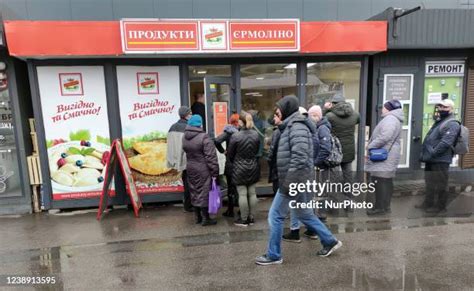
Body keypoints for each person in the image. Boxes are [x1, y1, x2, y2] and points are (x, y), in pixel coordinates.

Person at [255, 95, 342, 266]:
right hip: (299, 180)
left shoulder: (297, 127)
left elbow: (300, 158)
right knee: (305, 214)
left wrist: (288, 185)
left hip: (294, 181)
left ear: (286, 109)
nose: (276, 114)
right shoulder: (290, 127)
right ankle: (330, 241)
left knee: (275, 215)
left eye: (278, 111)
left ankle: (274, 255)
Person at [417, 99, 460, 214]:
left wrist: (433, 152)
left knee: (441, 184)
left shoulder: (453, 123)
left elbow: (446, 142)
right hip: (432, 159)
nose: (441, 109)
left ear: (451, 109)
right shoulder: (440, 121)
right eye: (440, 107)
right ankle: (428, 203)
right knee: (430, 182)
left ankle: (440, 207)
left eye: (445, 107)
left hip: (441, 160)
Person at [365, 100, 404, 216]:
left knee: (380, 182)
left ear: (388, 108)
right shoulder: (394, 118)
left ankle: (380, 208)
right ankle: (385, 207)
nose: (382, 109)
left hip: (385, 155)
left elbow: (385, 136)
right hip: (389, 154)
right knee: (386, 181)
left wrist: (370, 146)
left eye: (384, 107)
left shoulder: (390, 119)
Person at [182, 115, 219, 226]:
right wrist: (215, 172)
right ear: (200, 124)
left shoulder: (184, 137)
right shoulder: (204, 137)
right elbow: (211, 157)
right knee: (203, 192)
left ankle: (197, 217)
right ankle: (206, 218)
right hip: (203, 169)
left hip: (191, 167)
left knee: (194, 191)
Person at [228, 112, 261, 227]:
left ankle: (243, 219)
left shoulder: (235, 136)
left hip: (239, 167)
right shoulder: (256, 135)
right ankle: (251, 218)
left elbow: (230, 154)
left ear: (241, 122)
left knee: (242, 194)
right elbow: (257, 151)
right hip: (253, 166)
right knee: (252, 193)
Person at [324, 93, 360, 188]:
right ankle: (349, 197)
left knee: (334, 176)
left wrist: (326, 109)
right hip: (349, 149)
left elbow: (321, 122)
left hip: (335, 150)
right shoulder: (355, 114)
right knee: (348, 175)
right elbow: (358, 120)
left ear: (333, 103)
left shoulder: (329, 116)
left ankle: (335, 197)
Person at [167, 106, 193, 212]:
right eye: (190, 113)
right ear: (186, 115)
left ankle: (187, 204)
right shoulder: (189, 127)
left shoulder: (172, 127)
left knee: (185, 182)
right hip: (188, 159)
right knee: (190, 183)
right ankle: (189, 205)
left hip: (178, 159)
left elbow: (170, 145)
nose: (191, 115)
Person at [214, 113, 240, 218]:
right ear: (237, 122)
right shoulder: (241, 131)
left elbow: (216, 141)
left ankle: (230, 210)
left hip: (230, 163)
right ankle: (241, 209)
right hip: (240, 163)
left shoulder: (228, 132)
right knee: (240, 187)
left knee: (230, 187)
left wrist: (224, 151)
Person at [267, 113, 282, 196]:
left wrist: (270, 161)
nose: (274, 118)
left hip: (277, 168)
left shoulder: (277, 132)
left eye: (275, 116)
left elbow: (272, 152)